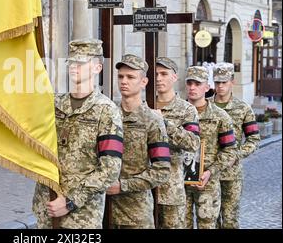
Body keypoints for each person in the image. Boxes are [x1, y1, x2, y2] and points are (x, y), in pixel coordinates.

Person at [32, 38, 124, 229]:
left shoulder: (106, 110)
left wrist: (70, 201)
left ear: (97, 67)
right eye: (72, 62)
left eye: (81, 63)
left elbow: (110, 168)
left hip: (82, 216)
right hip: (46, 206)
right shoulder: (53, 104)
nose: (74, 67)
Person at [106, 54, 171, 229]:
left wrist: (123, 186)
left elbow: (162, 170)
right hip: (103, 209)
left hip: (136, 214)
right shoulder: (107, 115)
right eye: (120, 76)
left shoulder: (152, 120)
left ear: (143, 82)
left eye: (130, 77)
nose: (124, 81)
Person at [184, 66, 237, 229]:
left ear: (207, 87)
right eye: (190, 83)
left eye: (197, 84)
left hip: (207, 182)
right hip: (179, 183)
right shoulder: (177, 113)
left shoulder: (220, 116)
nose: (192, 87)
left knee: (207, 225)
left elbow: (230, 150)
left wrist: (210, 172)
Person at [211, 62, 260, 229]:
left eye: (224, 82)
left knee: (230, 219)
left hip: (231, 174)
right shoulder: (205, 107)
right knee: (209, 220)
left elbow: (254, 139)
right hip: (209, 172)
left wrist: (236, 156)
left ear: (232, 81)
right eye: (217, 82)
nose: (220, 86)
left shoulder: (243, 109)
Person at [153, 57, 201, 229]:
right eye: (156, 74)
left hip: (171, 189)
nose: (159, 78)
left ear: (174, 77)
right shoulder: (144, 106)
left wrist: (164, 123)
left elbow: (193, 142)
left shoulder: (186, 109)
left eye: (164, 74)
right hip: (143, 189)